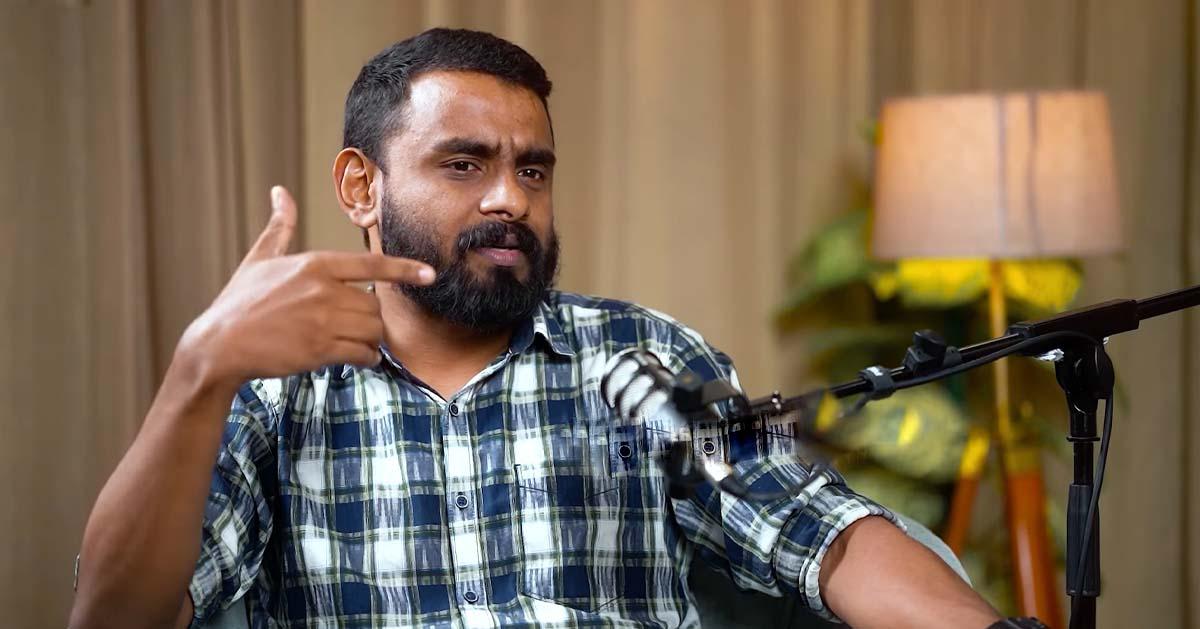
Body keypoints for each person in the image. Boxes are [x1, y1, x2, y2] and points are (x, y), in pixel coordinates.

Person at [70, 28, 1003, 629]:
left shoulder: (642, 360)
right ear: (361, 187)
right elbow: (114, 615)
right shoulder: (276, 392)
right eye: (464, 163)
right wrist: (200, 369)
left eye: (533, 169)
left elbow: (821, 529)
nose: (510, 199)